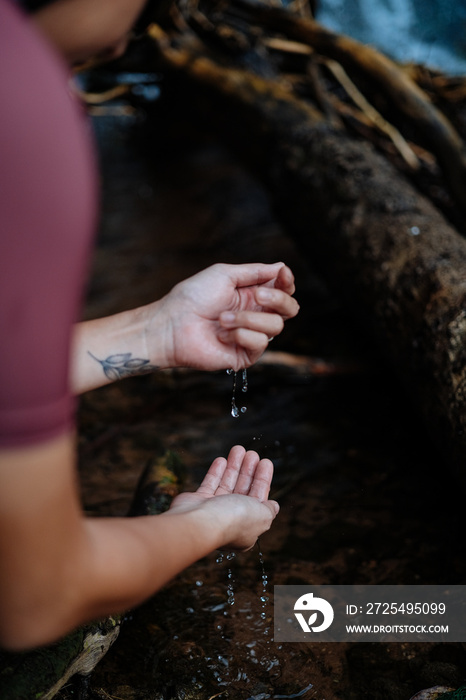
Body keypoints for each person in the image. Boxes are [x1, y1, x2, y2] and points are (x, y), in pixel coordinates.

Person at [0, 0, 300, 652]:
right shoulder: (22, 100)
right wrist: (205, 526)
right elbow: (34, 593)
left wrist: (155, 331)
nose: (135, 26)